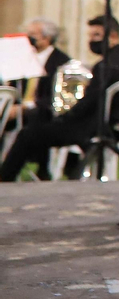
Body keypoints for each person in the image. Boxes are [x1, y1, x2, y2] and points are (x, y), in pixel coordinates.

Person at [0, 15, 119, 182]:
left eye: (96, 35)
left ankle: (5, 178)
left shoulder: (106, 65)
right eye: (90, 36)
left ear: (113, 36)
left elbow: (89, 103)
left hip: (101, 128)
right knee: (40, 126)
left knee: (30, 134)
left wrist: (66, 116)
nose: (91, 40)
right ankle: (49, 172)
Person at [2, 19, 72, 180]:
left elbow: (55, 97)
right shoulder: (23, 59)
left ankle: (10, 174)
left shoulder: (61, 62)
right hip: (17, 109)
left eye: (32, 34)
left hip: (42, 111)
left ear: (47, 38)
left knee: (34, 121)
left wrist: (25, 106)